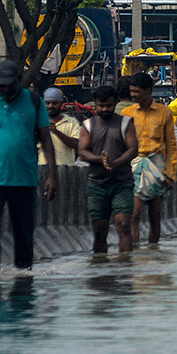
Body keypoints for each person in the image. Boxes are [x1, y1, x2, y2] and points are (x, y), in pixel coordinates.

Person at [0, 59, 57, 269]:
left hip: (24, 179)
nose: (4, 89)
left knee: (23, 231)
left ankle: (23, 277)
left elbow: (46, 139)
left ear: (19, 81)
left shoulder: (33, 101)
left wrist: (52, 175)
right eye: (0, 85)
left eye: (8, 85)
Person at [77, 84, 138, 254]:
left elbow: (133, 149)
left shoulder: (125, 123)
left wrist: (116, 162)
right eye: (100, 106)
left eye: (108, 106)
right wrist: (100, 160)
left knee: (124, 226)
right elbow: (82, 151)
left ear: (115, 103)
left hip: (122, 184)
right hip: (97, 185)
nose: (104, 109)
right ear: (95, 104)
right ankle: (101, 272)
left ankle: (125, 269)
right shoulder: (88, 125)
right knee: (99, 230)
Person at [123, 72, 177, 247]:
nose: (133, 95)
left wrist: (171, 174)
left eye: (137, 91)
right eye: (131, 91)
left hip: (157, 167)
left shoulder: (165, 113)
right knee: (134, 215)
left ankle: (154, 251)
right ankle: (135, 252)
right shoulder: (126, 113)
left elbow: (171, 145)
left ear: (148, 91)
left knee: (155, 216)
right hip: (134, 166)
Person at [37, 87, 81, 166]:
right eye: (47, 103)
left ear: (61, 103)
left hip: (66, 169)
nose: (50, 106)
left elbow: (76, 144)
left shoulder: (71, 122)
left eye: (54, 103)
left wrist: (57, 132)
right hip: (43, 168)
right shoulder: (38, 122)